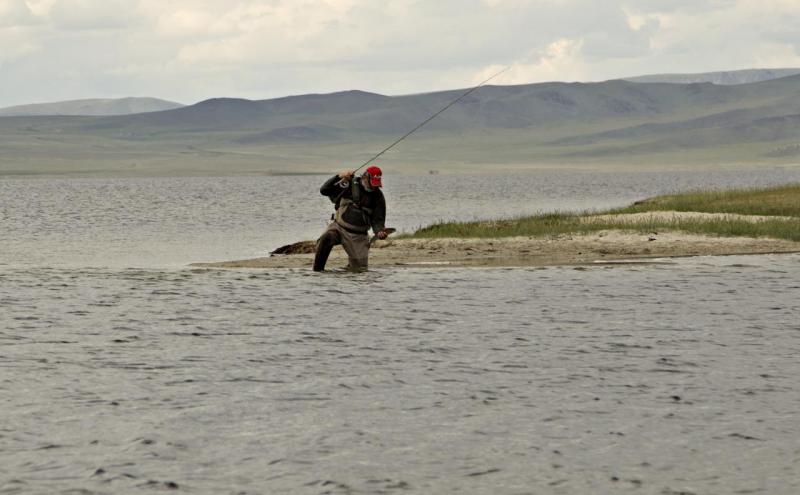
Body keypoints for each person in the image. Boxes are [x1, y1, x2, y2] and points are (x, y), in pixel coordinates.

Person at [313, 165, 389, 272]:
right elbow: (324, 190)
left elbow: (378, 220)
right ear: (365, 177)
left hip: (359, 236)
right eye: (372, 184)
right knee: (326, 238)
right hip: (339, 228)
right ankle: (317, 272)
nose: (374, 187)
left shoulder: (378, 197)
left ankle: (348, 269)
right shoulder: (348, 184)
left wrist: (380, 231)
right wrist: (338, 177)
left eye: (376, 185)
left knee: (360, 270)